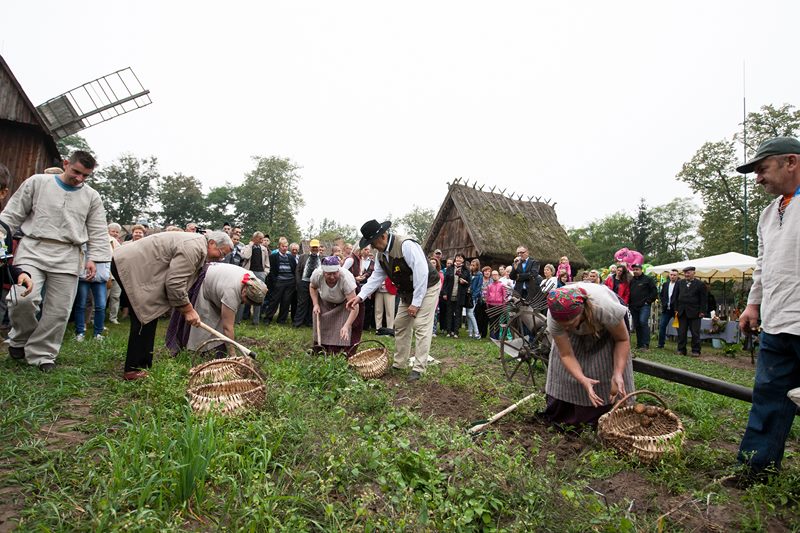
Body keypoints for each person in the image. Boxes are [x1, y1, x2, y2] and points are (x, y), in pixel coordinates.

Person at [0, 151, 111, 371]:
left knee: (58, 310)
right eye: (76, 172)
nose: (79, 178)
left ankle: (43, 354)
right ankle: (20, 338)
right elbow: (12, 214)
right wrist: (1, 235)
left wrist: (94, 258)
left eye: (85, 175)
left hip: (69, 254)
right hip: (33, 248)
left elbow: (98, 229)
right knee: (22, 299)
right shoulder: (37, 182)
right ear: (66, 163)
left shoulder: (91, 196)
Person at [735, 136, 800, 479]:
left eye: (763, 169)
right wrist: (752, 305)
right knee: (768, 397)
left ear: (791, 162)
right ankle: (755, 468)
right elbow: (763, 265)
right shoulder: (768, 213)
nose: (758, 178)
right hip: (776, 321)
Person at [111, 230, 232, 380]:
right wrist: (188, 310)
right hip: (128, 265)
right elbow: (175, 283)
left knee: (148, 314)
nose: (221, 258)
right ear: (212, 243)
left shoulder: (198, 246)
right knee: (145, 314)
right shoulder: (193, 248)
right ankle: (134, 369)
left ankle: (141, 365)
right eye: (221, 253)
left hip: (136, 266)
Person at [347, 220, 441, 381]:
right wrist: (360, 296)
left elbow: (421, 273)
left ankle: (419, 368)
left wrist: (416, 303)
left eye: (373, 242)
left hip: (427, 287)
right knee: (401, 324)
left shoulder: (406, 245)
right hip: (407, 291)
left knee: (421, 325)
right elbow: (376, 277)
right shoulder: (380, 255)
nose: (372, 247)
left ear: (383, 236)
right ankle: (399, 364)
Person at [541, 284, 635, 428]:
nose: (566, 328)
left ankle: (612, 416)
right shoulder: (554, 316)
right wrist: (582, 379)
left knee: (606, 369)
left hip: (607, 327)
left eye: (570, 323)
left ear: (582, 311)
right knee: (564, 370)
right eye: (563, 325)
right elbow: (566, 354)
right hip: (578, 327)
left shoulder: (604, 307)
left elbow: (622, 340)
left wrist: (617, 373)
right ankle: (566, 414)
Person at [166, 262, 266, 357]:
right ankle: (189, 351)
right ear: (244, 292)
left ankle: (213, 351)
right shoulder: (231, 293)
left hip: (216, 282)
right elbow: (227, 327)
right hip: (204, 283)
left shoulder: (253, 281)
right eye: (246, 301)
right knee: (201, 323)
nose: (244, 303)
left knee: (219, 322)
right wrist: (232, 354)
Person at [310, 256, 364, 355]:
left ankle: (344, 351)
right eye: (328, 274)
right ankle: (322, 348)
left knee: (347, 326)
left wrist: (347, 326)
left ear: (339, 270)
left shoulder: (346, 279)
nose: (332, 277)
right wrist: (316, 304)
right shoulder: (317, 274)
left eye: (335, 273)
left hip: (347, 302)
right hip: (326, 299)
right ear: (323, 272)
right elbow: (312, 287)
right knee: (324, 322)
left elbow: (355, 306)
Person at [73, 246, 111, 341]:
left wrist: (107, 274)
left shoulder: (103, 243)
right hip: (83, 276)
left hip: (100, 277)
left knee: (101, 306)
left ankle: (98, 333)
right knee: (81, 305)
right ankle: (80, 332)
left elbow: (108, 258)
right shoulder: (83, 242)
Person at [672, 266, 707, 356]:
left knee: (695, 332)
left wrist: (702, 311)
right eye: (685, 273)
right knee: (681, 332)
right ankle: (681, 349)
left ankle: (696, 350)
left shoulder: (700, 284)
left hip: (695, 312)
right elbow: (675, 297)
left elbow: (703, 299)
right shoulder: (679, 283)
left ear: (694, 273)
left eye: (688, 273)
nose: (686, 275)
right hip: (681, 312)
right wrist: (675, 309)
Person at [263, 237, 297, 324]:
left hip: (290, 282)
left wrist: (294, 281)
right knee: (274, 301)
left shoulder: (291, 257)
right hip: (279, 282)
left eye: (286, 246)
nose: (285, 248)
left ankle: (281, 320)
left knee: (286, 301)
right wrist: (275, 281)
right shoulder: (273, 257)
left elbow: (294, 269)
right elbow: (271, 271)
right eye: (283, 246)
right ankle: (268, 318)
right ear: (279, 246)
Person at [240, 231, 269, 324]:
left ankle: (256, 321)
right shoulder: (247, 247)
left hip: (260, 273)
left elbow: (267, 262)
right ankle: (239, 319)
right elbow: (246, 256)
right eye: (260, 239)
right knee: (245, 294)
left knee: (259, 296)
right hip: (249, 273)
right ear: (255, 238)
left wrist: (265, 273)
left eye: (262, 239)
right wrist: (250, 245)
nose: (262, 240)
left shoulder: (264, 249)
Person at [628, 263, 658, 351]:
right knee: (637, 324)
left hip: (644, 306)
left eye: (637, 269)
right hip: (633, 306)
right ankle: (639, 344)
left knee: (643, 322)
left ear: (641, 270)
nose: (635, 271)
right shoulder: (631, 280)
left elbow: (654, 291)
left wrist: (648, 301)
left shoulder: (648, 279)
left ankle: (645, 344)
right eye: (634, 270)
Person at [442, 253, 471, 338]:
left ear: (463, 260)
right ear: (455, 259)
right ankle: (449, 331)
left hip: (460, 295)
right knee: (449, 313)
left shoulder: (466, 270)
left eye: (461, 258)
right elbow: (445, 282)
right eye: (457, 257)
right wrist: (444, 293)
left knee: (458, 314)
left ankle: (456, 332)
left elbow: (469, 283)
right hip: (450, 294)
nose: (458, 259)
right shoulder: (450, 269)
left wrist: (464, 282)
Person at [294, 239, 322, 327]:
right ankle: (298, 322)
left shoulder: (323, 258)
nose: (314, 249)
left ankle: (309, 322)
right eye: (313, 247)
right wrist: (299, 282)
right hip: (304, 282)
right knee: (302, 303)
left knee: (313, 303)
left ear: (319, 247)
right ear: (310, 247)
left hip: (316, 284)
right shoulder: (303, 257)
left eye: (316, 247)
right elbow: (298, 270)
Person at [657, 269, 679, 349]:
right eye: (671, 275)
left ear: (677, 276)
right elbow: (661, 295)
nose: (672, 276)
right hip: (666, 309)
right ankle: (661, 344)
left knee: (679, 327)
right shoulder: (665, 284)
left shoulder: (679, 285)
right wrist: (664, 302)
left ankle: (680, 346)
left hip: (676, 309)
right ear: (669, 275)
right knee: (662, 326)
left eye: (674, 275)